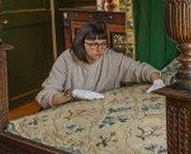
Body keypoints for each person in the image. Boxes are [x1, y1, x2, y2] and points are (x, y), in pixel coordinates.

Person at [35, 21, 164, 108]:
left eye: (103, 44)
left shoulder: (111, 57)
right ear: (81, 44)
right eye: (93, 44)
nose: (99, 49)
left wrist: (157, 80)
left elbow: (140, 69)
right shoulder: (66, 59)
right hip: (70, 109)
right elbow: (45, 95)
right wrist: (72, 94)